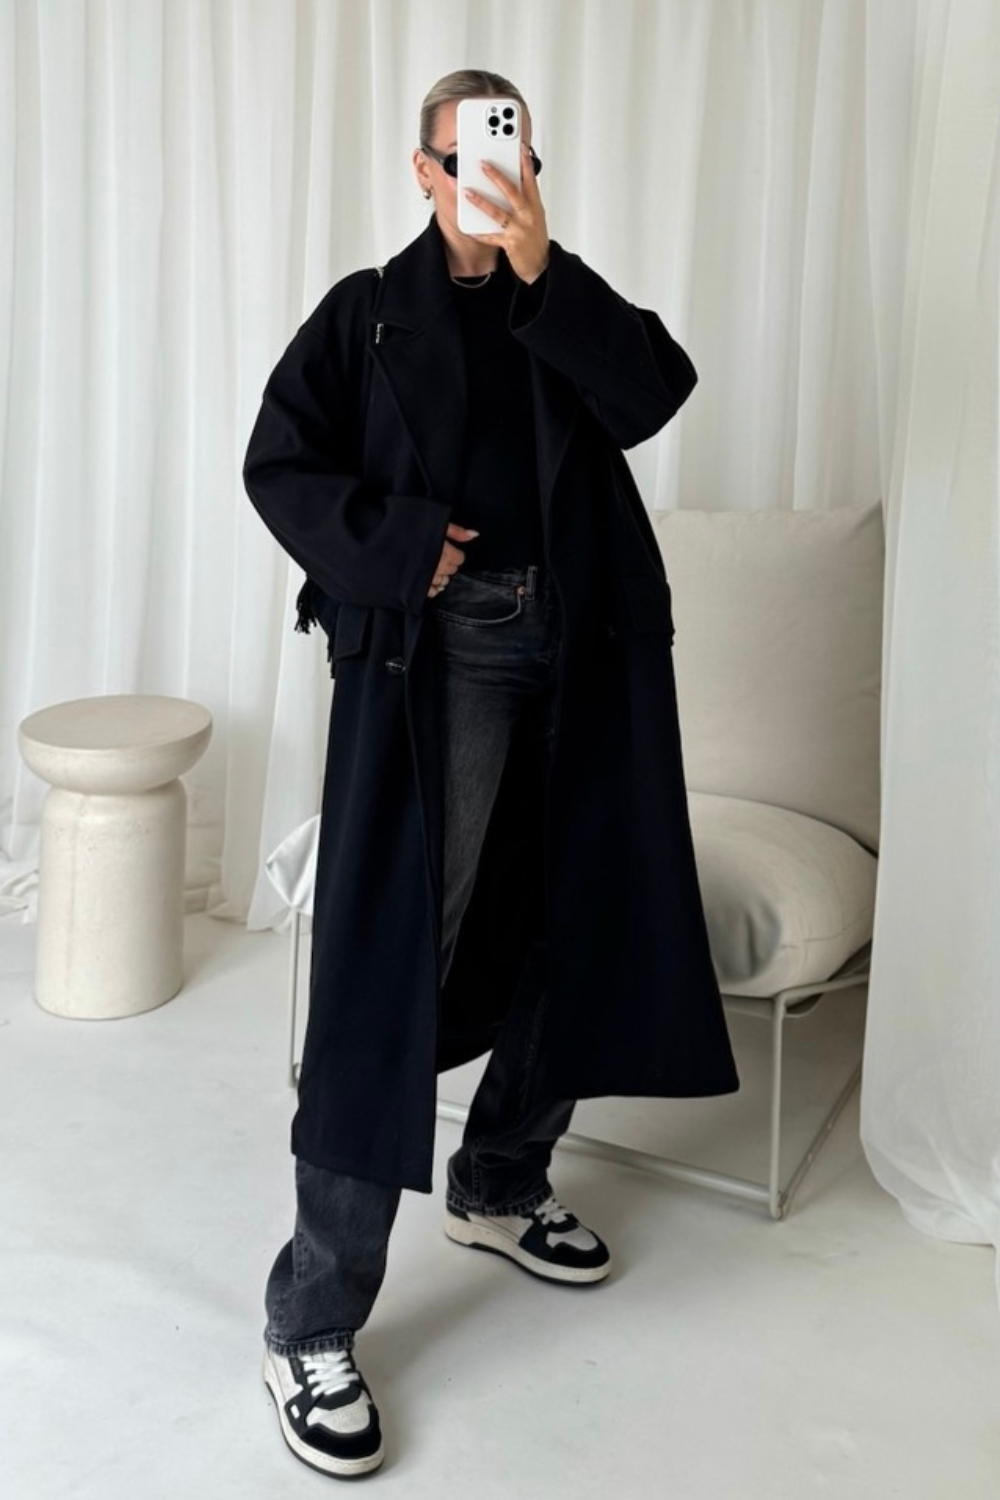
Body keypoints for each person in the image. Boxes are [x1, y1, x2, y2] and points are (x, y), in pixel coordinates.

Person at [242, 68, 739, 1479]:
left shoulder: (553, 299)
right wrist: (401, 546)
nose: (492, 171)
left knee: (569, 920)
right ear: (424, 169)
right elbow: (279, 465)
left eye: (514, 149)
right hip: (435, 659)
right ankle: (310, 1316)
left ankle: (502, 1179)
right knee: (396, 956)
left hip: (578, 648)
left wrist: (543, 271)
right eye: (467, 153)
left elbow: (652, 395)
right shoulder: (365, 314)